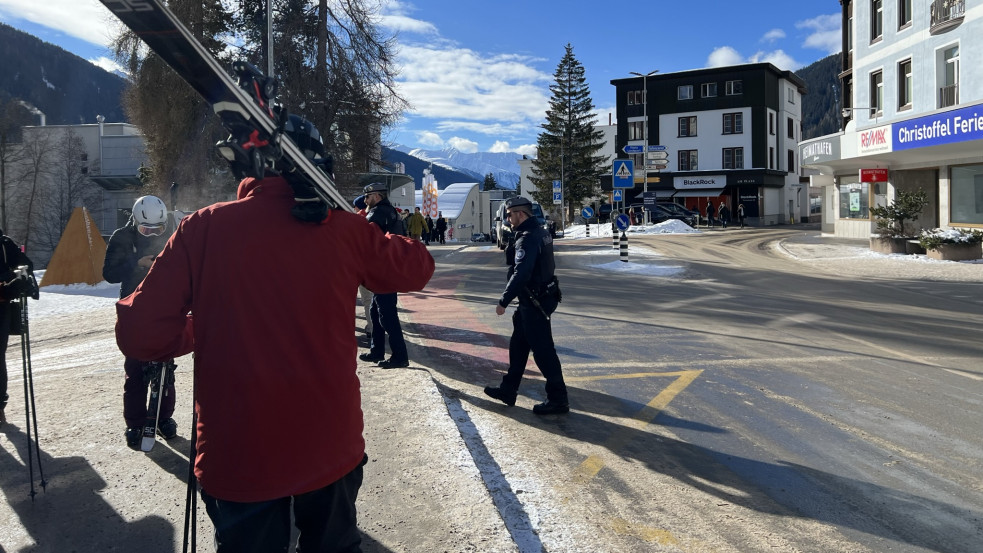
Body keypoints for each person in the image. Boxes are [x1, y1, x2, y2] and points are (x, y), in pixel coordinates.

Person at [114, 115, 434, 552]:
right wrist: (358, 221)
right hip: (329, 443)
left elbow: (141, 335)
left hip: (239, 450)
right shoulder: (343, 229)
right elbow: (418, 266)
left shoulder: (203, 227)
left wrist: (198, 330)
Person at [103, 195, 179, 449]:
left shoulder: (173, 233)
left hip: (165, 304)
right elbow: (109, 273)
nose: (151, 234)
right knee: (135, 367)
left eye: (157, 229)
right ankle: (135, 422)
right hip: (133, 306)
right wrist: (137, 264)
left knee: (165, 366)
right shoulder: (121, 237)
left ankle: (163, 417)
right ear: (135, 221)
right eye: (145, 229)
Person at [484, 196, 567, 415]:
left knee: (543, 352)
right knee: (518, 347)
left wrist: (504, 300)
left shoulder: (528, 238)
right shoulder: (540, 232)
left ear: (521, 214)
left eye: (510, 215)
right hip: (537, 298)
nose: (508, 219)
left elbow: (522, 272)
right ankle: (508, 390)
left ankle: (558, 399)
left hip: (535, 301)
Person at [359, 182, 414, 369]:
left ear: (377, 196)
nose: (365, 200)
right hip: (388, 268)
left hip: (384, 271)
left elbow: (362, 236)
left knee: (386, 315)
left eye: (367, 197)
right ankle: (377, 350)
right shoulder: (391, 211)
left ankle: (400, 356)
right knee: (375, 311)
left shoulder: (378, 213)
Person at [1, 229, 38, 428]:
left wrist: (23, 278)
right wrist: (6, 287)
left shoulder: (5, 244)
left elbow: (26, 265)